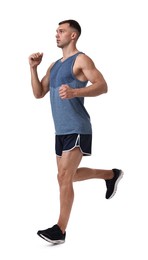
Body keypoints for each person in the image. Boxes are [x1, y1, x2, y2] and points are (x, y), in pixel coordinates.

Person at [28, 19, 123, 244]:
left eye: (61, 31)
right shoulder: (54, 65)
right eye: (56, 31)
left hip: (77, 127)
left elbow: (102, 85)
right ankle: (111, 175)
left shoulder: (81, 59)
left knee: (64, 177)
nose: (56, 35)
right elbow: (38, 92)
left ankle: (60, 230)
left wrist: (75, 92)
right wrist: (33, 68)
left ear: (73, 35)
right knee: (67, 177)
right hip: (60, 130)